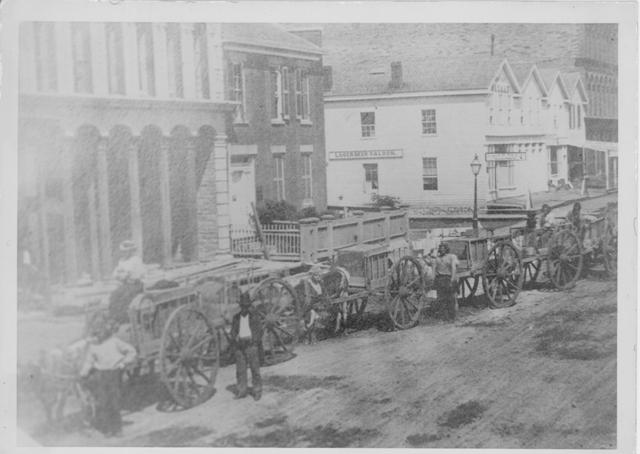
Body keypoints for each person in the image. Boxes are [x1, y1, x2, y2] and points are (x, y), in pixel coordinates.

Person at [80, 314, 137, 437]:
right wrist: (83, 373)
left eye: (101, 332)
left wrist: (123, 363)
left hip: (114, 374)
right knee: (104, 403)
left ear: (106, 331)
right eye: (97, 333)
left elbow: (131, 351)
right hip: (101, 375)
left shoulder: (115, 342)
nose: (99, 335)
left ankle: (118, 429)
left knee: (114, 402)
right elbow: (88, 362)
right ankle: (109, 430)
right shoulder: (93, 347)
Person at [230, 292, 263, 401]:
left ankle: (257, 391)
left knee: (255, 369)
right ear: (240, 306)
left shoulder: (255, 316)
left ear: (249, 306)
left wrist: (253, 340)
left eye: (246, 306)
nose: (245, 308)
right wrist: (235, 338)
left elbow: (259, 332)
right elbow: (233, 332)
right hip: (240, 347)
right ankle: (242, 391)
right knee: (240, 370)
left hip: (251, 346)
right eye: (243, 306)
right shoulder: (236, 318)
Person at [108, 240, 145, 325]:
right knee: (114, 295)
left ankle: (125, 319)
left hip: (136, 285)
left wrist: (124, 274)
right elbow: (115, 273)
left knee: (126, 296)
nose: (124, 253)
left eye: (126, 251)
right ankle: (115, 318)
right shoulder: (121, 261)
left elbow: (138, 274)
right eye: (123, 251)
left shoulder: (136, 260)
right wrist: (122, 274)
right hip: (126, 284)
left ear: (131, 251)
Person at [425, 243, 459, 321]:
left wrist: (452, 279)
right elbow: (433, 271)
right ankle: (444, 317)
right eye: (441, 248)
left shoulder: (451, 257)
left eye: (444, 248)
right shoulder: (436, 259)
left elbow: (454, 269)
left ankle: (452, 317)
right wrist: (432, 281)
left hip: (448, 278)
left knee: (451, 299)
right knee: (441, 299)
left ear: (446, 249)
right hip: (440, 280)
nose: (442, 250)